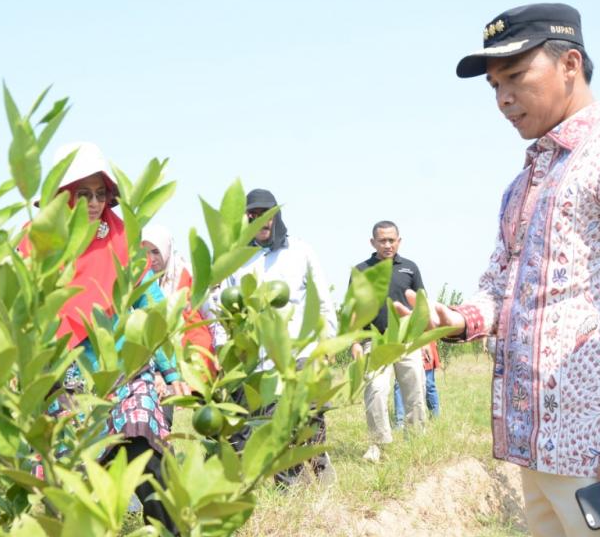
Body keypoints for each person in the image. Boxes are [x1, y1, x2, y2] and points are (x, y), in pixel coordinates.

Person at [408, 3, 600, 537]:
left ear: (570, 64)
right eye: (494, 86)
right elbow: (502, 284)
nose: (503, 99)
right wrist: (456, 318)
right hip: (541, 448)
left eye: (516, 77)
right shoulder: (525, 182)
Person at [19, 142, 187, 534]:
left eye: (100, 194)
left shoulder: (121, 239)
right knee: (68, 477)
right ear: (63, 195)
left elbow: (151, 304)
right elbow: (20, 312)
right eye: (84, 194)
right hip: (63, 379)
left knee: (146, 450)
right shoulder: (37, 242)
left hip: (123, 372)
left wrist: (170, 367)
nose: (94, 203)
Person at [225, 189, 338, 484]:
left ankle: (323, 477)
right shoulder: (237, 260)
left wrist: (327, 343)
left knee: (309, 420)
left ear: (276, 216)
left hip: (302, 350)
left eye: (266, 213)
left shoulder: (300, 251)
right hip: (261, 360)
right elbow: (222, 307)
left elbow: (322, 299)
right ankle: (292, 491)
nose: (260, 219)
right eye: (253, 214)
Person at [351, 220, 428, 463]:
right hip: (376, 341)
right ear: (372, 242)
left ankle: (417, 441)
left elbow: (421, 307)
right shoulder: (362, 270)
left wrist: (425, 340)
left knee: (415, 390)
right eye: (382, 240)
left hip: (407, 341)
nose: (387, 244)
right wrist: (353, 342)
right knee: (375, 391)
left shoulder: (410, 268)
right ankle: (378, 445)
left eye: (391, 240)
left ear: (399, 241)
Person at [141, 224, 223, 378]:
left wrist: (219, 352)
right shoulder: (146, 285)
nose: (151, 259)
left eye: (156, 252)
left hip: (199, 359)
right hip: (171, 366)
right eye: (146, 253)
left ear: (166, 250)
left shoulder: (188, 273)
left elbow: (212, 316)